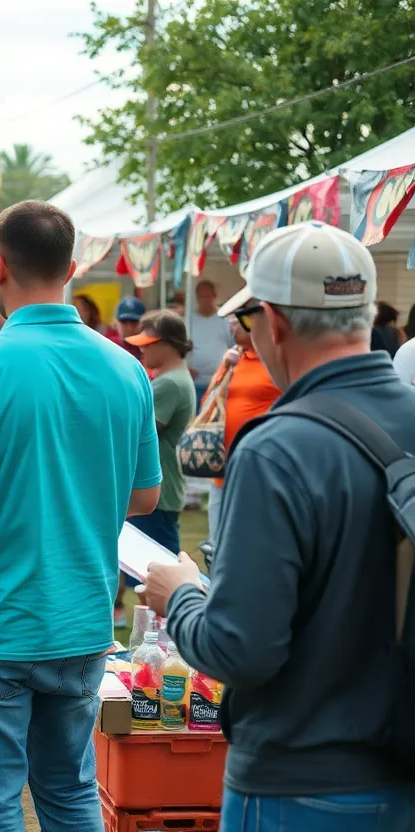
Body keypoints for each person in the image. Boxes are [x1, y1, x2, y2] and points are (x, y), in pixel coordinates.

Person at [143, 221, 415, 832]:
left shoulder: (277, 448)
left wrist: (182, 595)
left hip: (302, 781)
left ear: (274, 320)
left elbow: (240, 650)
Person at [0, 201, 162, 831]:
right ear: (72, 267)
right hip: (80, 620)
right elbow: (145, 496)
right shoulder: (126, 367)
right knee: (71, 792)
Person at [200, 314, 281, 541]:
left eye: (237, 321)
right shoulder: (234, 359)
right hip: (222, 469)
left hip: (256, 467)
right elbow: (208, 402)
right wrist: (225, 366)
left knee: (249, 540)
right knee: (217, 543)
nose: (231, 326)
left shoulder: (273, 360)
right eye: (231, 322)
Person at [124, 310, 197, 555]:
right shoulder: (177, 378)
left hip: (156, 493)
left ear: (167, 344)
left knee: (156, 569)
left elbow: (137, 433)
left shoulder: (169, 383)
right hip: (163, 490)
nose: (142, 351)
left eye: (148, 344)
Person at [189, 280, 236, 404]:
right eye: (201, 297)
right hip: (195, 383)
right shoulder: (188, 321)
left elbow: (236, 347)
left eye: (207, 297)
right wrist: (184, 367)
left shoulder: (226, 319)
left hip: (219, 383)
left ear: (215, 297)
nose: (204, 300)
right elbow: (179, 350)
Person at [115, 295, 147, 360]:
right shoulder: (110, 345)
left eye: (134, 322)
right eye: (124, 322)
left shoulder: (151, 349)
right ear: (116, 323)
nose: (129, 328)